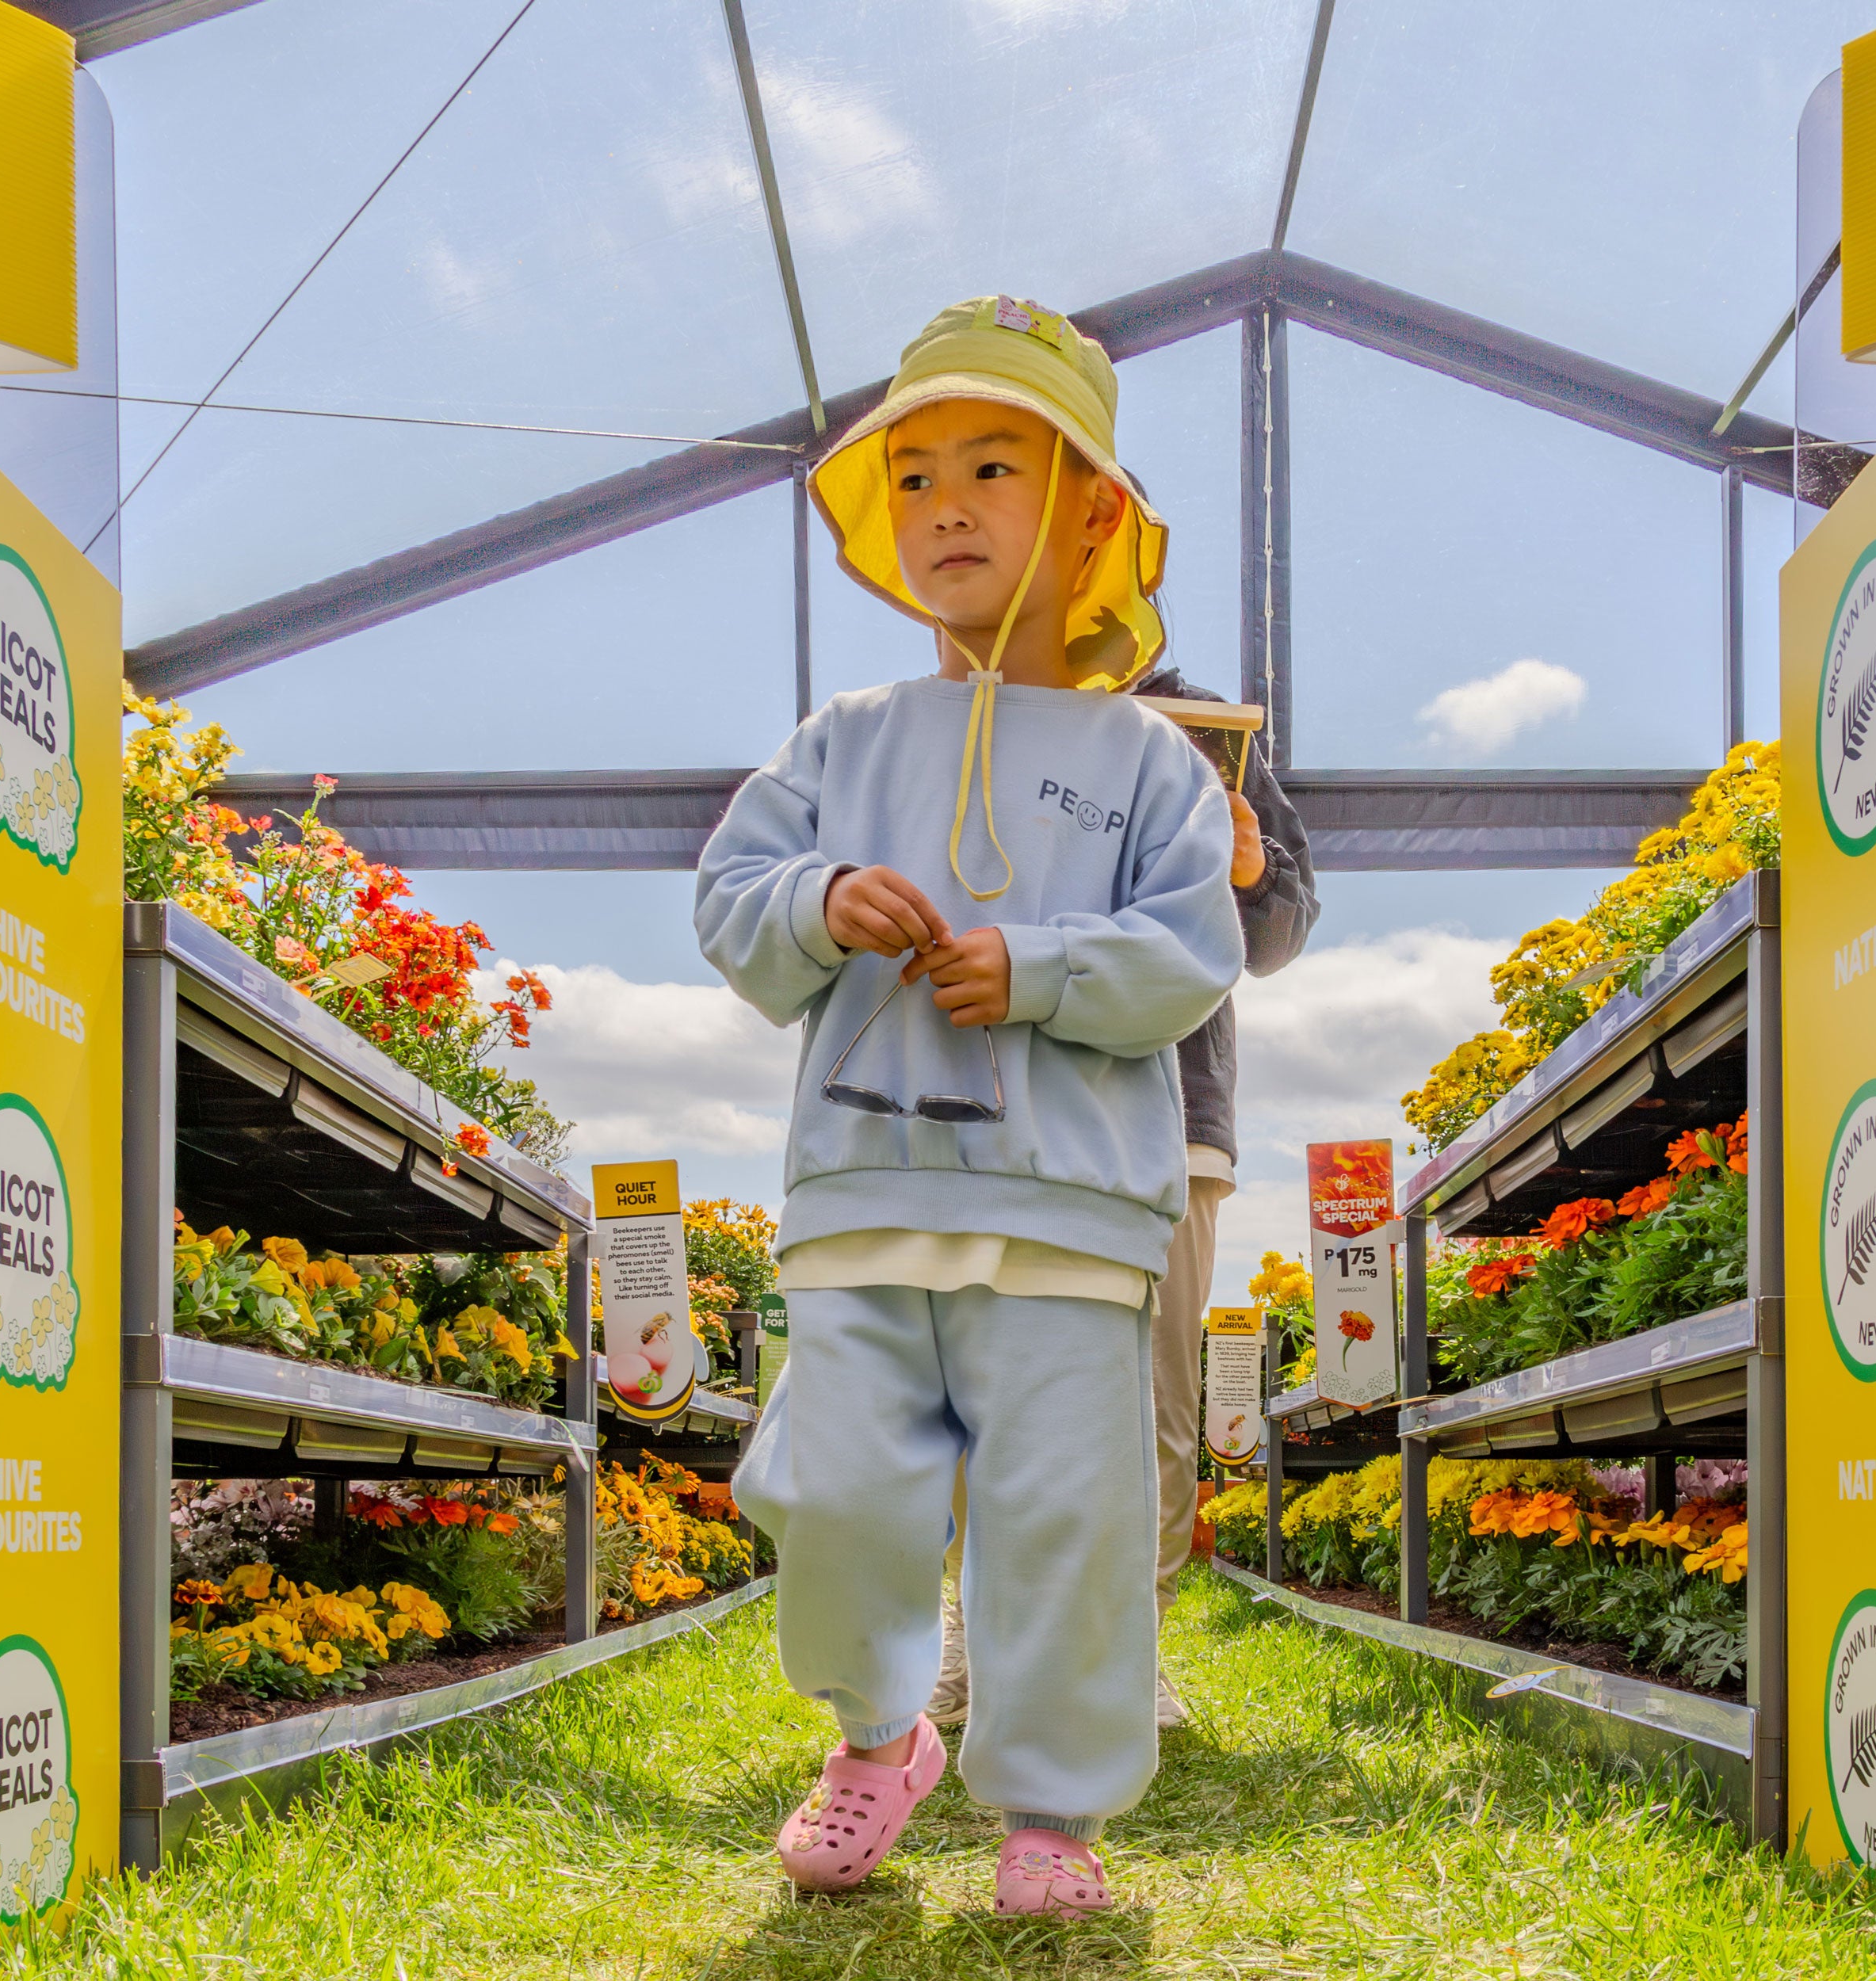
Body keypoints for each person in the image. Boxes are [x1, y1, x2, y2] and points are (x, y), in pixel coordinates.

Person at [697, 295, 1242, 1919]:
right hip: (863, 1196)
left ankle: (1053, 1810)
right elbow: (731, 901)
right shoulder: (838, 739)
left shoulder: (1152, 759)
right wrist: (815, 898)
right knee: (840, 1490)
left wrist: (1046, 965)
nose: (945, 503)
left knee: (1064, 1518)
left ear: (1088, 508)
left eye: (991, 466)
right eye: (915, 472)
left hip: (1071, 1222)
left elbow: (1192, 953)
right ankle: (879, 1736)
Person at [923, 672, 1316, 1733]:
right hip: (994, 1098)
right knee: (983, 1388)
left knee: (1150, 1399)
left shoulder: (1205, 734)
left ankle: (1121, 1648)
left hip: (1167, 1112)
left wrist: (1246, 868)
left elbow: (1280, 933)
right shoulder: (959, 717)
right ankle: (974, 1630)